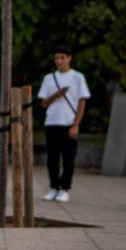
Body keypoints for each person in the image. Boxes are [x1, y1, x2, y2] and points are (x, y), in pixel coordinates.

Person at [37, 45, 90, 203]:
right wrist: (56, 95)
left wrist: (76, 124)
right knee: (52, 159)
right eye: (56, 58)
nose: (59, 61)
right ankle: (53, 187)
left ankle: (65, 188)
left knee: (68, 159)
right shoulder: (49, 78)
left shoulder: (77, 77)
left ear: (69, 58)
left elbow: (82, 102)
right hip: (52, 122)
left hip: (69, 122)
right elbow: (43, 103)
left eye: (62, 57)